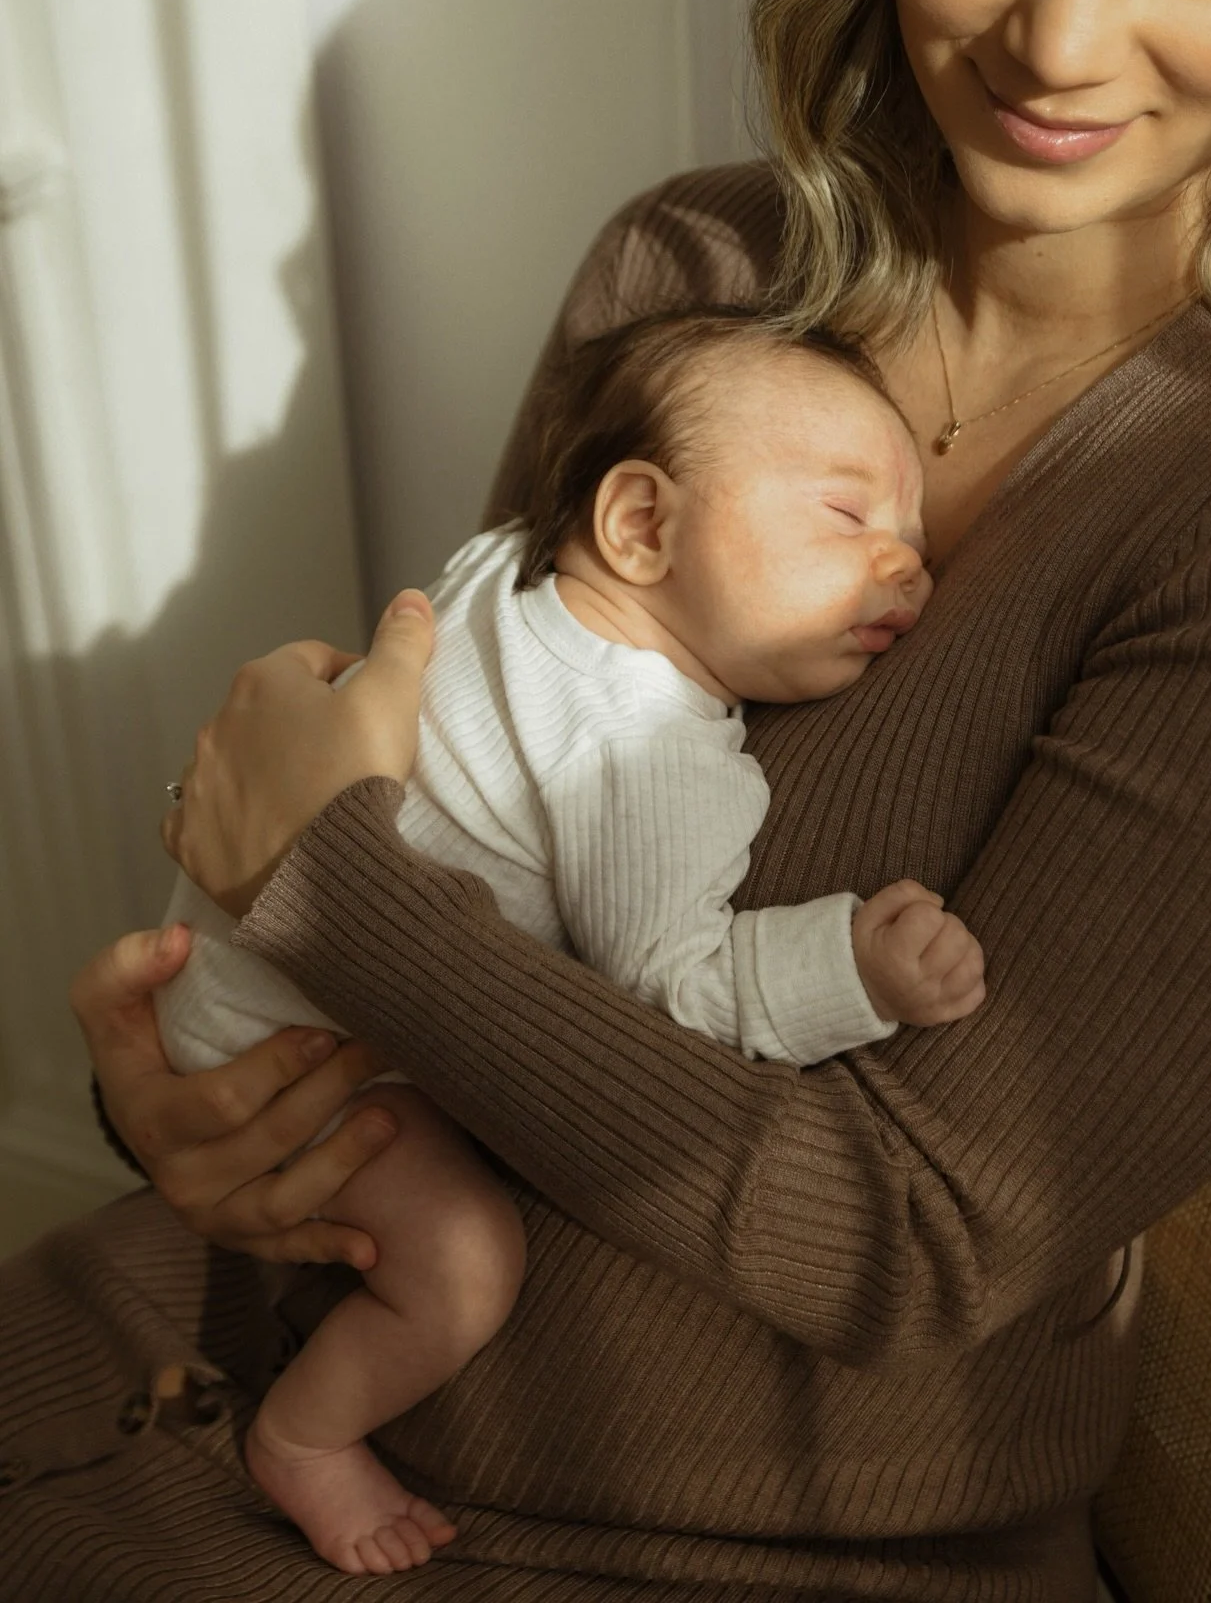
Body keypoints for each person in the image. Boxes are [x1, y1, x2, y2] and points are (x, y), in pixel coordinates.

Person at [4, 0, 1211, 1597]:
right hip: (231, 1337)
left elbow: (913, 1247)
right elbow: (471, 795)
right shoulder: (691, 275)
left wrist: (319, 880)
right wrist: (195, 1096)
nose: (1061, 45)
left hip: (693, 1541)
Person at [155, 307, 978, 1576]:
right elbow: (666, 993)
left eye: (915, 538)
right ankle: (307, 1437)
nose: (909, 566)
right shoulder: (643, 749)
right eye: (848, 515)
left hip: (216, 968)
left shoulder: (501, 570)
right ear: (640, 524)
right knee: (466, 1265)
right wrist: (848, 967)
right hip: (308, 1047)